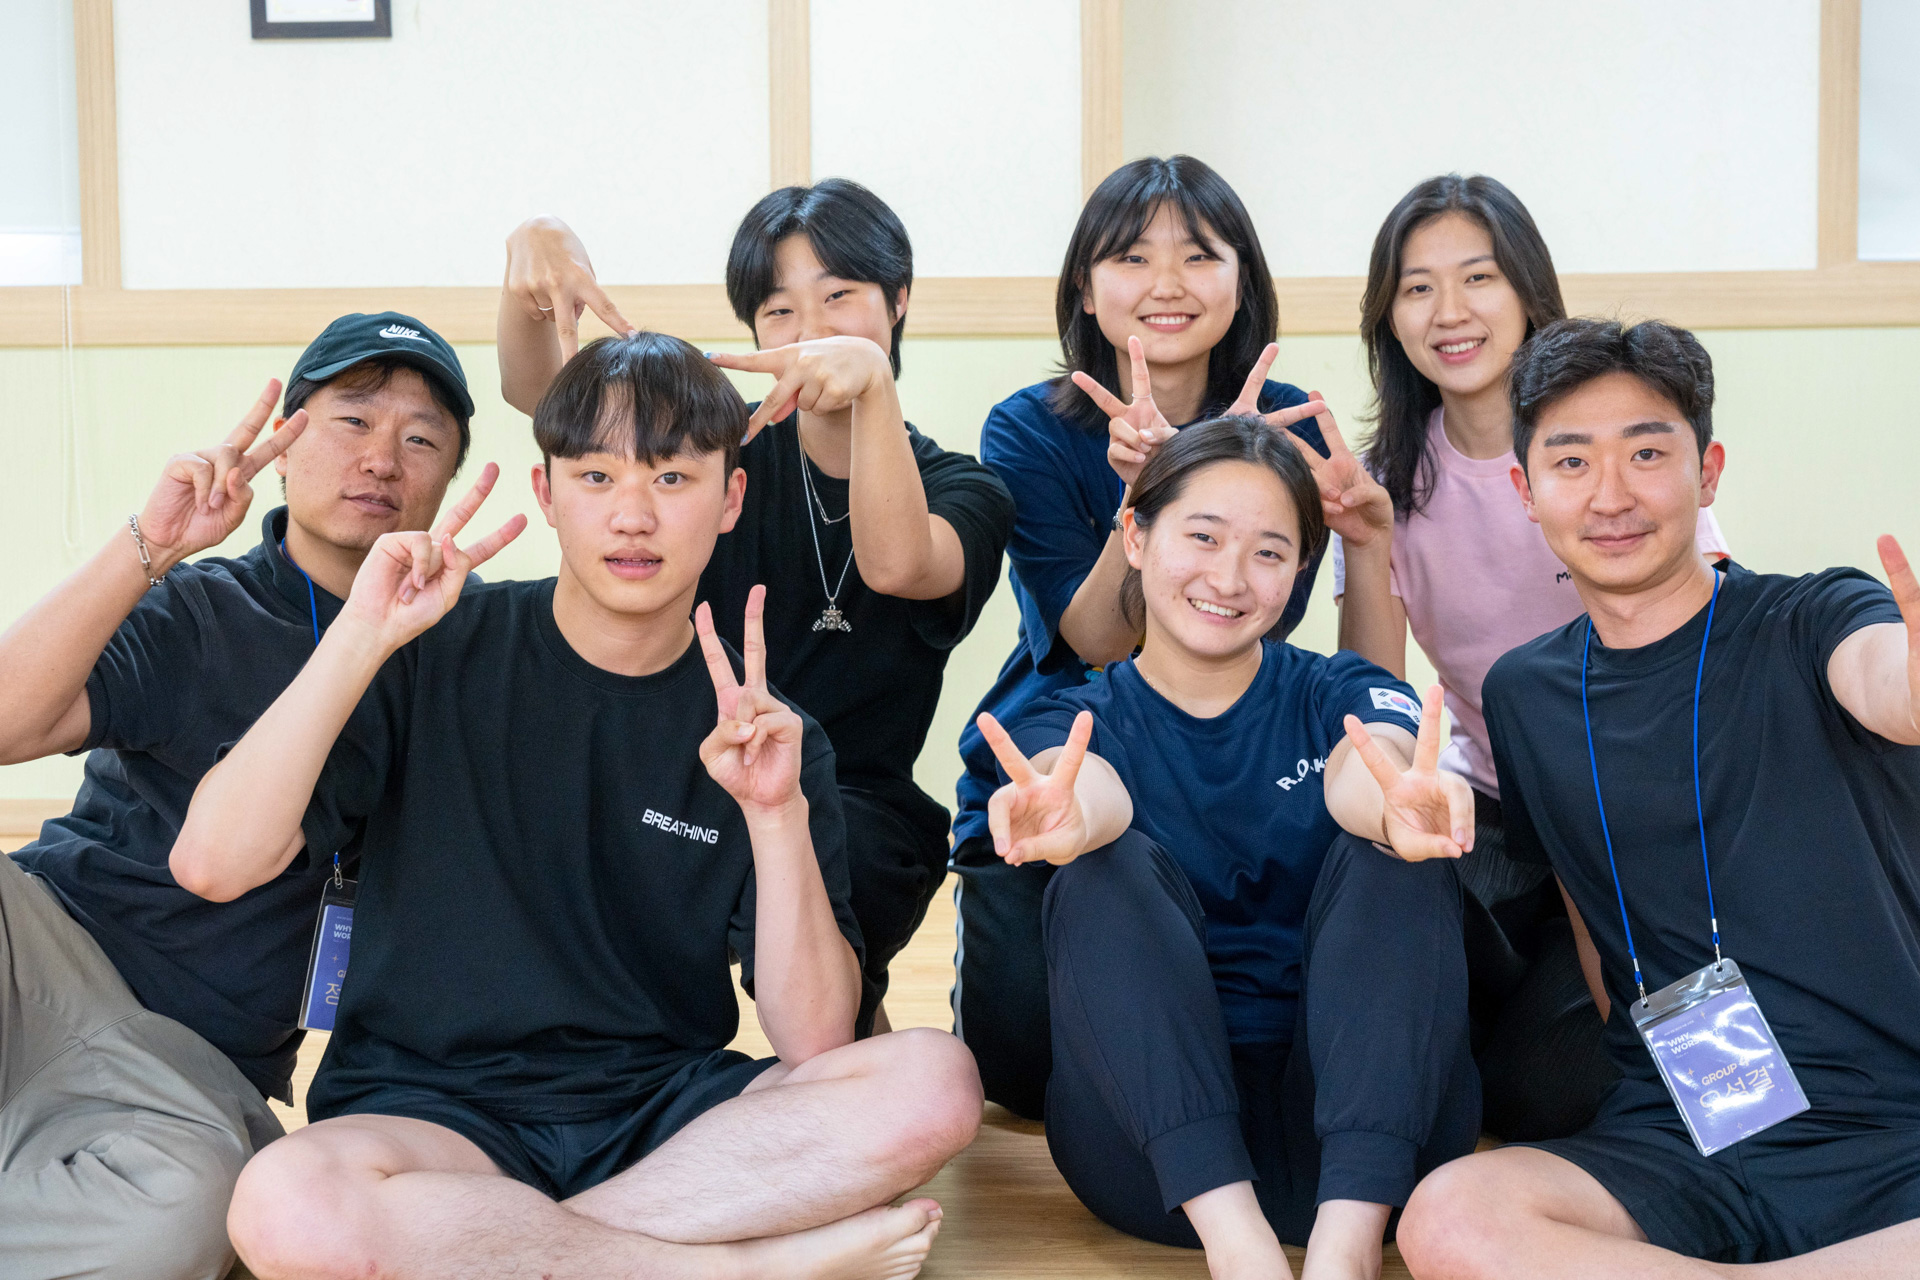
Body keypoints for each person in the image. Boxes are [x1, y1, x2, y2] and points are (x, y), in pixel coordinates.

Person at [172, 332, 983, 1280]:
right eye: (597, 477)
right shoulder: (424, 648)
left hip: (665, 1115)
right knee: (283, 1204)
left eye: (672, 479)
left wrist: (775, 817)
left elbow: (816, 1042)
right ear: (548, 494)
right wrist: (358, 638)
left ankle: (520, 1254)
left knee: (933, 1081)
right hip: (433, 1116)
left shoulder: (766, 729)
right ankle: (723, 1270)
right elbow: (211, 863)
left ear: (730, 499)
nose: (633, 516)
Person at [1398, 318, 1920, 1276]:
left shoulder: (1812, 616)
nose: (1611, 496)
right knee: (1450, 1218)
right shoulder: (1524, 692)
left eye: (1646, 453)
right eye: (1571, 461)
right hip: (1695, 1122)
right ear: (1525, 492)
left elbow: (1891, 684)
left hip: (1895, 1114)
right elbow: (1592, 920)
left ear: (1707, 472)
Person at [0, 312, 480, 1280]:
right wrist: (150, 542)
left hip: (193, 1065)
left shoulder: (458, 663)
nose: (382, 458)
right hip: (46, 948)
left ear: (449, 482)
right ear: (286, 446)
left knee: (184, 1213)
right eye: (353, 420)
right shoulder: (204, 604)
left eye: (421, 439)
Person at [497, 180, 1014, 1034]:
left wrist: (873, 388)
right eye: (780, 310)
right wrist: (532, 255)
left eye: (839, 296)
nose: (811, 330)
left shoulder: (967, 488)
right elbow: (548, 401)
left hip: (854, 799)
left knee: (839, 955)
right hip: (688, 766)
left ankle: (847, 1048)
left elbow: (896, 564)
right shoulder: (723, 449)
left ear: (898, 301)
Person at [977, 416, 1479, 1280]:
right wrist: (1070, 816)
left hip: (1380, 1144)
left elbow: (1368, 767)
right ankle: (1242, 1253)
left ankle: (1346, 1251)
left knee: (1394, 854)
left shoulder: (1340, 688)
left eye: (1269, 552)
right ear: (1136, 538)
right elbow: (1088, 786)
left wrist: (1394, 806)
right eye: (1203, 537)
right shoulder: (1072, 718)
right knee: (1102, 868)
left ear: (1299, 570)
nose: (1229, 578)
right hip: (1158, 1161)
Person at [1331, 174, 1732, 1140]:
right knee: (1395, 935)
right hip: (1495, 810)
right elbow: (1376, 692)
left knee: (1587, 1079)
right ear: (1389, 317)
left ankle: (1743, 1126)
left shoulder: (1602, 440)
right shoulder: (1386, 479)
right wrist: (1369, 543)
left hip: (1634, 799)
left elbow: (1700, 634)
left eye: (1479, 277)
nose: (1450, 311)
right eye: (1417, 287)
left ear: (1527, 292)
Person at [950, 154, 1334, 1118]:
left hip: (1231, 753)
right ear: (1086, 286)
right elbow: (1091, 640)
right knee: (1020, 1072)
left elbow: (1255, 627)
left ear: (1241, 280)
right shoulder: (1028, 428)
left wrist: (1244, 470)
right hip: (1071, 742)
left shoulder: (1289, 427)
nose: (1167, 283)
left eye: (1199, 255)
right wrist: (1146, 495)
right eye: (1131, 257)